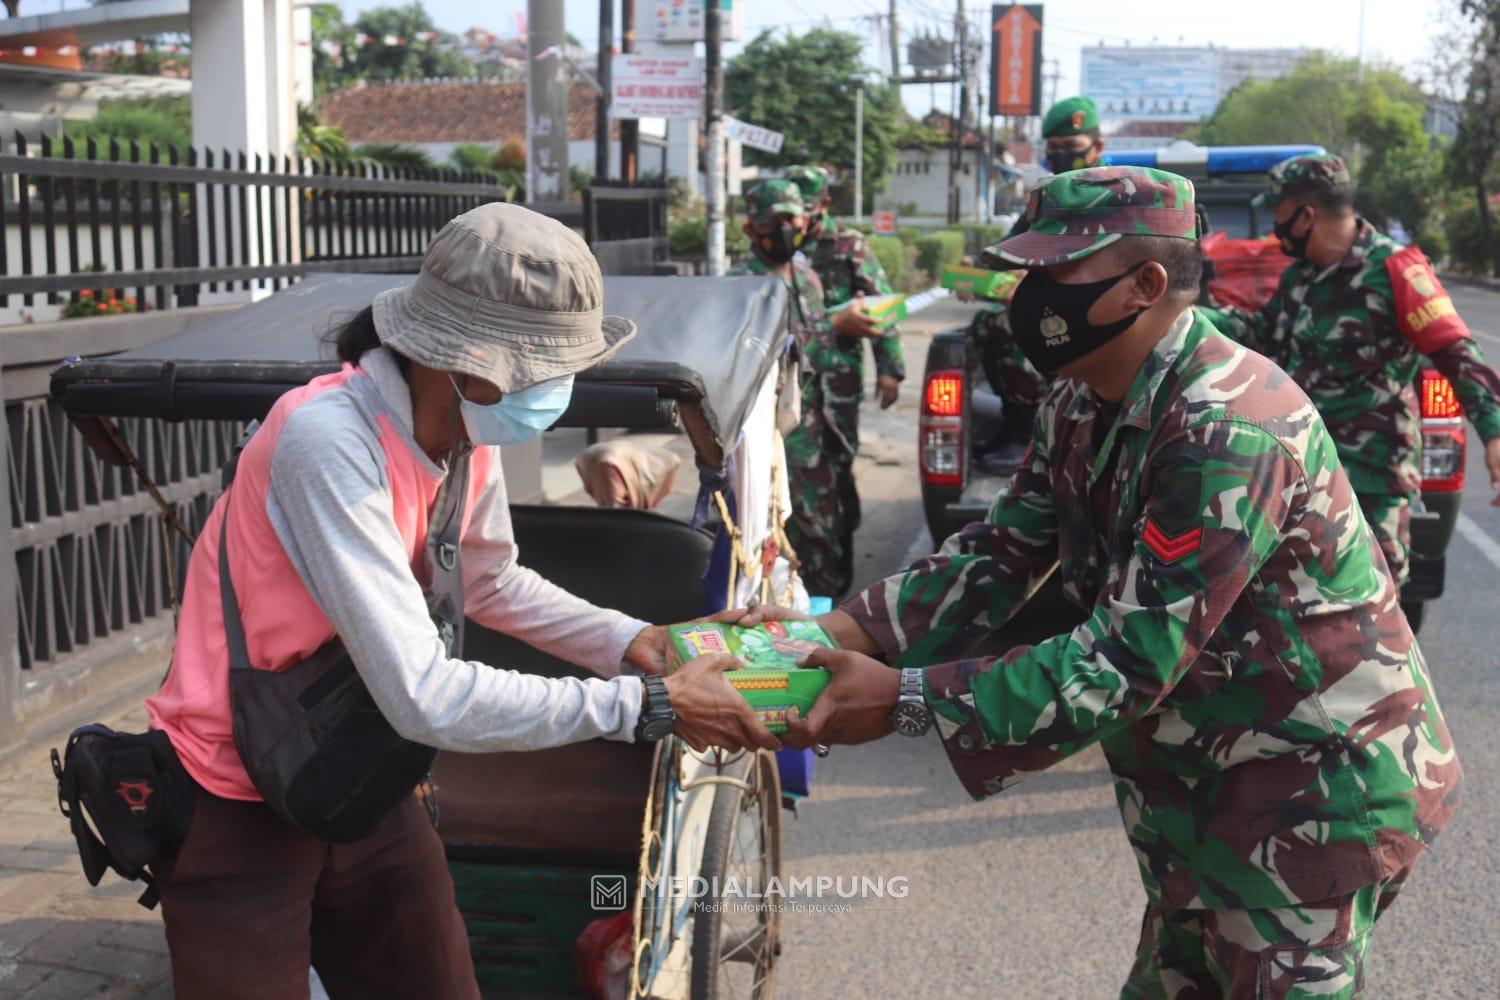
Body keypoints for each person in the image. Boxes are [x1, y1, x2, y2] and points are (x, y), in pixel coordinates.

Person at [736, 167, 1462, 998]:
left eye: (1054, 271)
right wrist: (823, 633)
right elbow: (999, 554)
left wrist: (904, 698)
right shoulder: (1080, 399)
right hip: (1208, 808)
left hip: (1311, 808)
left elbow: (1126, 660)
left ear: (1144, 286)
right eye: (1026, 271)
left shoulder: (1226, 427)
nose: (1028, 295)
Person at [146, 203, 778, 998]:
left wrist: (638, 641)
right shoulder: (328, 439)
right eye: (546, 371)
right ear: (467, 364)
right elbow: (426, 695)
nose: (558, 391)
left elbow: (490, 579)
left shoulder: (462, 434)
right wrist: (645, 706)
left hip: (358, 758)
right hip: (235, 783)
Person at [1201, 152, 1500, 585]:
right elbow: (1261, 331)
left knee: (1373, 602)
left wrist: (1494, 432)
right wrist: (1191, 318)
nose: (1274, 226)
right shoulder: (1301, 276)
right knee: (1303, 600)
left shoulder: (1394, 269)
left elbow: (1456, 351)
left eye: (1279, 212)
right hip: (1304, 471)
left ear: (1306, 215)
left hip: (1371, 476)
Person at [729, 180, 881, 597]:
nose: (783, 230)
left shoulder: (806, 275)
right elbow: (754, 353)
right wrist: (831, 324)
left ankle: (824, 605)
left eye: (790, 220)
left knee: (828, 521)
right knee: (783, 527)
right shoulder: (740, 284)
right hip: (771, 431)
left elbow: (818, 353)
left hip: (821, 421)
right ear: (750, 229)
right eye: (771, 222)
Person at [784, 164, 906, 591]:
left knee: (837, 475)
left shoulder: (848, 245)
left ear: (824, 204)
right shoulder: (778, 249)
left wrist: (890, 370)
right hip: (792, 387)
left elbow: (882, 306)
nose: (799, 221)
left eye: (806, 210)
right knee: (804, 487)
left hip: (838, 385)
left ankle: (836, 570)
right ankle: (814, 580)